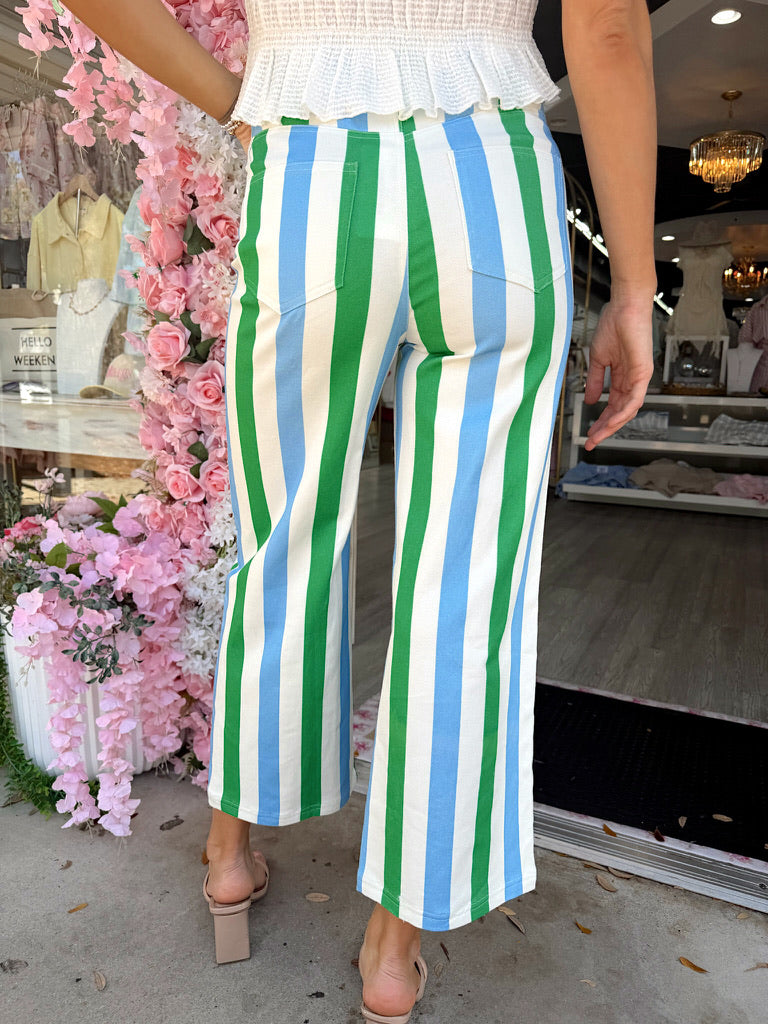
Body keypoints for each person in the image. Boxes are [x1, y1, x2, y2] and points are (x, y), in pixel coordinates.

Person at [62, 1, 657, 1020]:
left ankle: (229, 856)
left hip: (312, 169)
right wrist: (634, 287)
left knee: (285, 536)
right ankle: (392, 949)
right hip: (494, 173)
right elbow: (606, 31)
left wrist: (235, 96)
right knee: (466, 586)